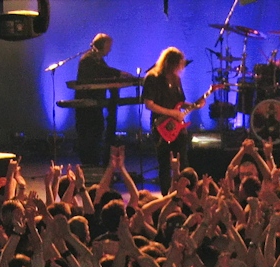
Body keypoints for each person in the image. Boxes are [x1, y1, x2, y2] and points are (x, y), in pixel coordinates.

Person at [143, 47, 204, 195]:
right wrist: (171, 113)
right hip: (161, 125)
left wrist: (194, 105)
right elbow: (149, 104)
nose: (180, 69)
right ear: (170, 64)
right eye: (178, 65)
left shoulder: (176, 79)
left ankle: (187, 193)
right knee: (164, 162)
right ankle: (166, 195)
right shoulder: (152, 78)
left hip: (178, 126)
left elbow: (180, 103)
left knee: (183, 160)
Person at [75, 34, 132, 166]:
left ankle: (95, 163)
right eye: (108, 46)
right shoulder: (88, 59)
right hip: (87, 106)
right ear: (101, 45)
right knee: (89, 135)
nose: (110, 50)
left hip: (95, 104)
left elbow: (104, 73)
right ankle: (89, 165)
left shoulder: (97, 59)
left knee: (97, 133)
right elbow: (102, 71)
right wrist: (120, 74)